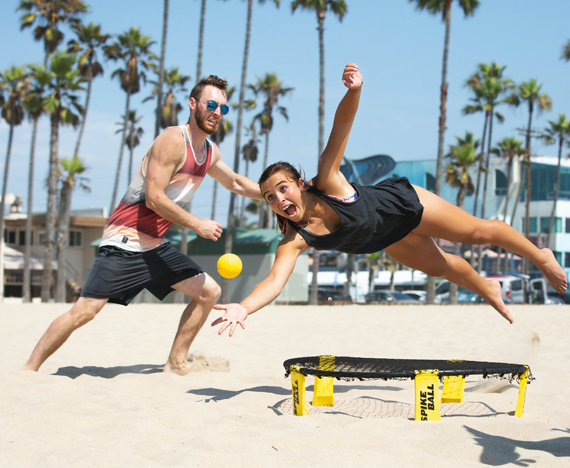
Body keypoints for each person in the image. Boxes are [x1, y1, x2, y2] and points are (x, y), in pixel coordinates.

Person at [212, 63, 568, 336]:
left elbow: (340, 129)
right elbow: (273, 281)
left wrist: (354, 91)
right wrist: (244, 308)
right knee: (441, 267)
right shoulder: (293, 240)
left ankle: (541, 256)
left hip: (401, 204)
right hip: (384, 237)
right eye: (270, 197)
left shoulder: (327, 180)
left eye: (282, 188)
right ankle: (487, 287)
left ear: (300, 184)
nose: (278, 199)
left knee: (477, 233)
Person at [22, 75, 263, 374]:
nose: (217, 113)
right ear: (192, 104)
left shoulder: (210, 152)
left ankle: (176, 362)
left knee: (208, 292)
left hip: (154, 245)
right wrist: (197, 224)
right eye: (211, 105)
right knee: (86, 311)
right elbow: (154, 198)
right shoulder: (173, 140)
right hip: (126, 238)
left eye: (223, 108)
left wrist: (274, 196)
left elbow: (236, 182)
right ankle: (28, 370)